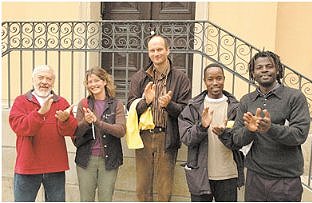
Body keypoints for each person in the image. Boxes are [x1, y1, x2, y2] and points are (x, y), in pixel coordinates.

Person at [232, 51, 310, 201]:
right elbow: (236, 138)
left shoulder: (294, 97)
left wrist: (270, 128)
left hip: (286, 180)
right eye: (259, 67)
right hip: (255, 177)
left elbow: (300, 134)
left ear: (278, 70)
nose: (264, 70)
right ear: (253, 73)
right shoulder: (247, 100)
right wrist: (250, 131)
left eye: (269, 66)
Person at [127, 34, 191, 201]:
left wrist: (169, 105)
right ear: (148, 53)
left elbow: (185, 111)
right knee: (142, 186)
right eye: (152, 50)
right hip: (144, 137)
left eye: (160, 49)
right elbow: (131, 106)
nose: (156, 53)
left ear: (167, 50)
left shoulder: (181, 78)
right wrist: (146, 102)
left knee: (164, 188)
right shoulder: (139, 77)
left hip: (167, 137)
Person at [9, 65, 77, 202]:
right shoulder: (20, 101)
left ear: (53, 82)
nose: (45, 82)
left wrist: (66, 120)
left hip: (55, 166)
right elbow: (20, 127)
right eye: (41, 78)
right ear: (33, 80)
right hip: (28, 164)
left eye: (49, 78)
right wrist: (40, 114)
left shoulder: (61, 102)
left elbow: (72, 131)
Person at [178, 63, 244, 202]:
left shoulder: (236, 107)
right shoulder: (193, 107)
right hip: (200, 174)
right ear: (204, 81)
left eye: (219, 78)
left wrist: (224, 134)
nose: (215, 82)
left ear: (224, 79)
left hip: (228, 175)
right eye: (210, 79)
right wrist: (201, 126)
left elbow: (240, 141)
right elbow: (186, 138)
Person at [73, 67, 126, 201]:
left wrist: (97, 122)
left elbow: (121, 131)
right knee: (86, 199)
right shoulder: (83, 104)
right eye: (90, 82)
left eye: (96, 80)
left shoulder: (117, 104)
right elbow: (75, 133)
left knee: (106, 199)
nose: (93, 84)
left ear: (104, 82)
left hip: (109, 160)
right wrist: (86, 121)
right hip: (86, 159)